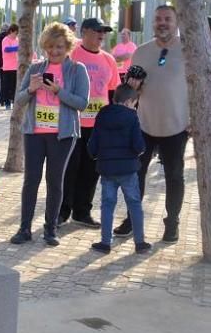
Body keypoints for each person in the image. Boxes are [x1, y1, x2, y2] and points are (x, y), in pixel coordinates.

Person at [9, 23, 89, 247]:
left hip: (62, 135)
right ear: (44, 46)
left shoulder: (77, 70)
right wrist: (31, 89)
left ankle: (50, 229)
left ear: (68, 47)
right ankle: (24, 228)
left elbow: (82, 103)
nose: (54, 51)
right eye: (51, 47)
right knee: (30, 181)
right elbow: (19, 100)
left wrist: (58, 91)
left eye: (60, 47)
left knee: (55, 182)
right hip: (34, 133)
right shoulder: (36, 69)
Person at [116, 5, 188, 244]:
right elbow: (127, 94)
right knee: (135, 175)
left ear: (177, 22)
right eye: (158, 19)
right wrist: (131, 88)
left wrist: (194, 122)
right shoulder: (141, 52)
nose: (162, 22)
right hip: (144, 125)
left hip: (177, 126)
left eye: (168, 18)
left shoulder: (188, 50)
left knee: (174, 176)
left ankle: (172, 223)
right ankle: (132, 219)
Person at [59, 18, 121, 228]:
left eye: (104, 31)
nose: (101, 35)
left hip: (98, 127)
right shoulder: (71, 54)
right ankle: (61, 211)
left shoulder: (109, 60)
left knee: (91, 170)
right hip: (72, 123)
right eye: (97, 31)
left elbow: (112, 92)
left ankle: (82, 211)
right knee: (69, 169)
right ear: (84, 32)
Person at [88, 84, 150, 254]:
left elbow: (93, 143)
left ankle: (105, 242)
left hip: (107, 169)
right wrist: (142, 151)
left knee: (107, 205)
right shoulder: (132, 117)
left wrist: (95, 155)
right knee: (134, 204)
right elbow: (138, 145)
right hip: (128, 169)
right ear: (129, 101)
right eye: (135, 103)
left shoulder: (102, 114)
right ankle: (140, 242)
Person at [0, 24, 19, 109]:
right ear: (11, 31)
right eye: (15, 33)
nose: (16, 35)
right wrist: (17, 48)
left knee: (15, 86)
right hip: (7, 67)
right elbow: (6, 49)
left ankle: (14, 102)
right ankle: (7, 103)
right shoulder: (5, 40)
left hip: (16, 67)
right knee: (7, 86)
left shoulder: (17, 39)